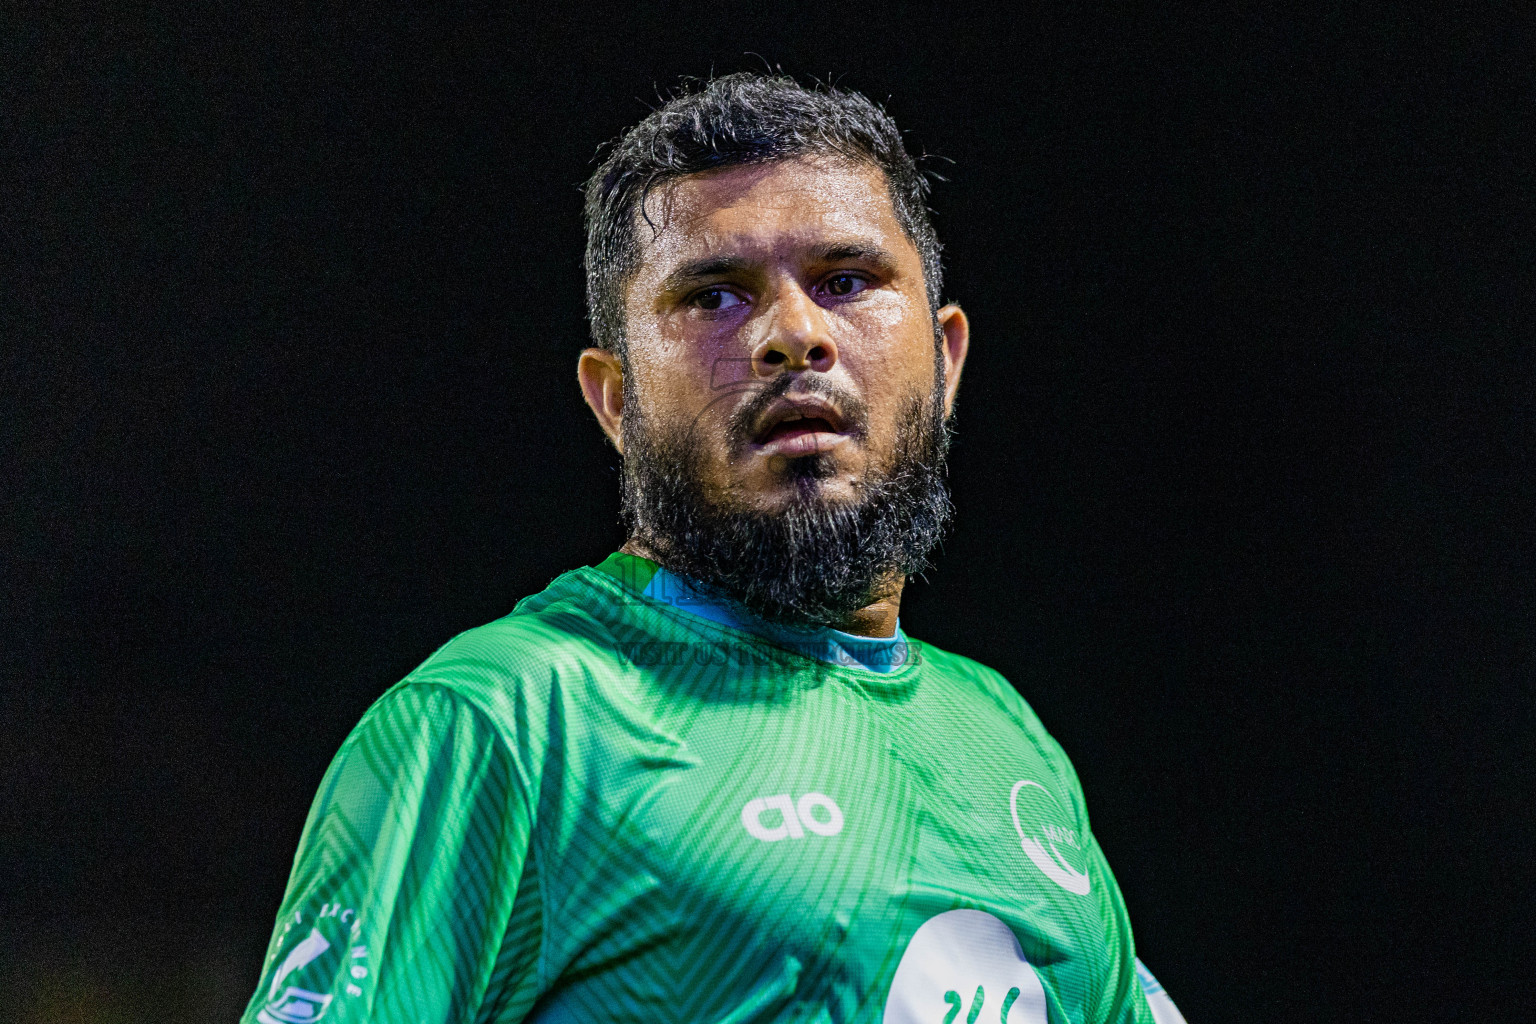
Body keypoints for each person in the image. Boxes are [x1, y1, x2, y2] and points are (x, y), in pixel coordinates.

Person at [242, 73, 1189, 1024]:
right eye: (715, 296)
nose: (794, 334)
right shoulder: (504, 725)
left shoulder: (1003, 734)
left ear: (946, 360)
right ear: (616, 400)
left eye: (846, 281)